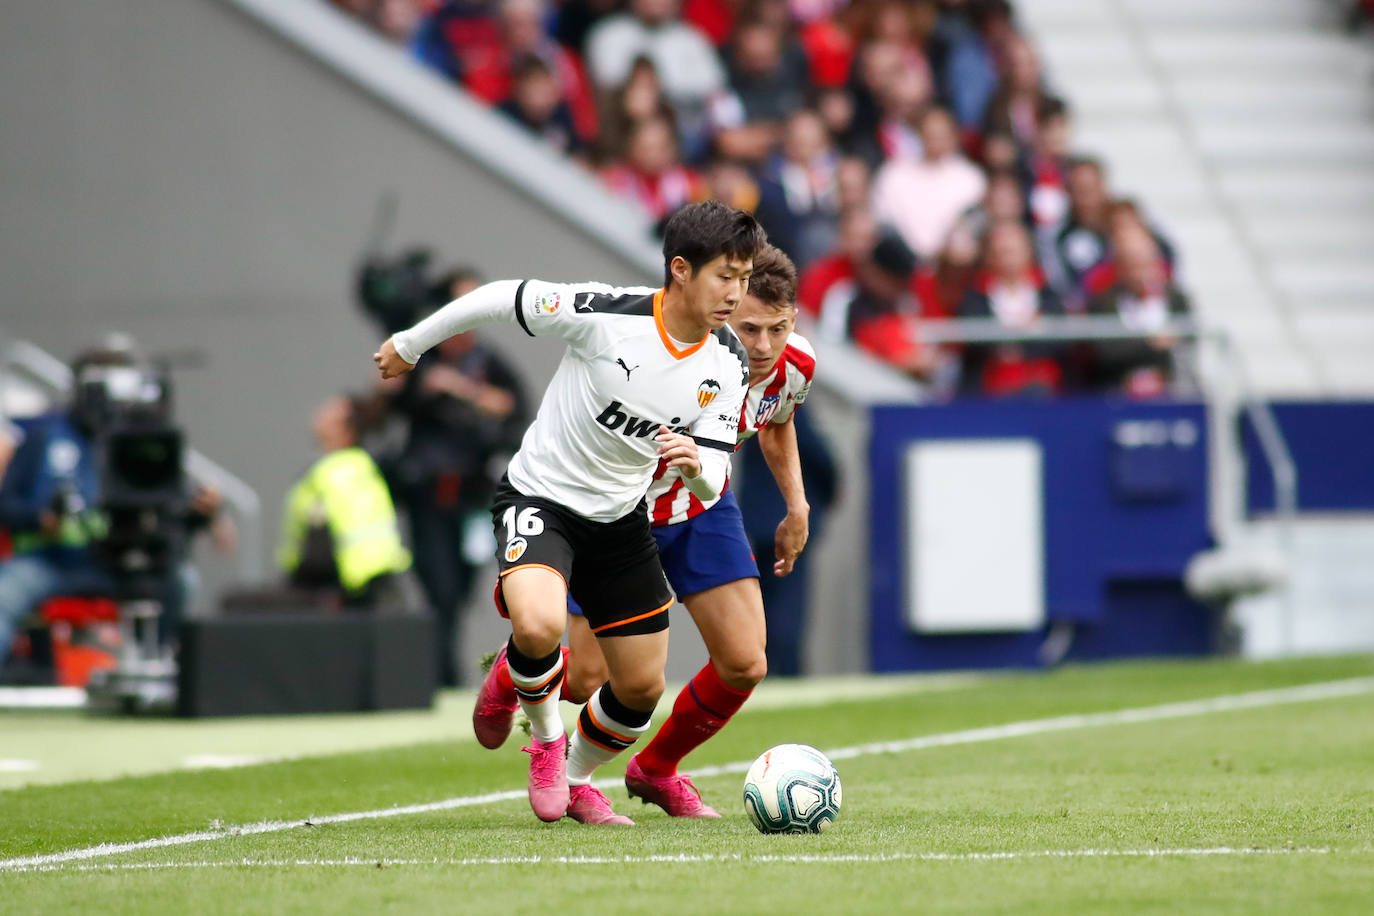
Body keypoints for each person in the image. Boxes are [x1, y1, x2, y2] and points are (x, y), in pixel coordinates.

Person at [374, 200, 763, 825]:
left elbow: (714, 481)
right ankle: (550, 740)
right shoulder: (610, 316)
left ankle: (578, 776)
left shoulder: (727, 361)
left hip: (620, 520)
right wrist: (412, 344)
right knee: (538, 626)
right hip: (541, 499)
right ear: (682, 270)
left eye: (744, 278)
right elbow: (501, 296)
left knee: (639, 688)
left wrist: (694, 463)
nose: (736, 294)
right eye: (726, 276)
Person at [472, 244, 820, 818]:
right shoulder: (672, 353)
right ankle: (518, 666)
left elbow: (777, 420)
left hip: (701, 510)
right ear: (717, 307)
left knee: (745, 661)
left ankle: (644, 771)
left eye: (776, 330)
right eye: (748, 328)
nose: (761, 347)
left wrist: (797, 504)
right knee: (584, 678)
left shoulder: (795, 364)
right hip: (613, 514)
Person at [0, 341, 232, 669]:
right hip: (53, 562)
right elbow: (6, 505)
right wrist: (42, 518)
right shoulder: (44, 436)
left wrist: (202, 513)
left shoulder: (143, 442)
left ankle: (157, 668)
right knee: (5, 591)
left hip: (120, 562)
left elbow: (170, 507)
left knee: (181, 580)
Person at [383, 269, 528, 687]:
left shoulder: (489, 362)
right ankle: (442, 675)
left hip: (472, 494)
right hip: (427, 492)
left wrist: (462, 390)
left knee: (462, 588)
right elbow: (390, 405)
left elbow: (514, 409)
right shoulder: (422, 356)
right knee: (437, 584)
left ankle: (445, 669)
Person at [276, 395, 413, 611]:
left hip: (354, 584)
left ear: (347, 431)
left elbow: (320, 534)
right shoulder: (360, 467)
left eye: (331, 413)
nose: (320, 415)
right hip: (370, 578)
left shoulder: (334, 475)